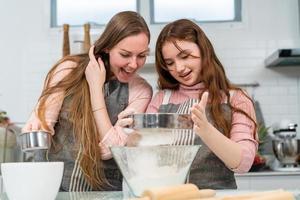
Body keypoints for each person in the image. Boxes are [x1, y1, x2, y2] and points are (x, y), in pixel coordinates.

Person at [22, 11, 152, 191]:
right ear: (107, 47)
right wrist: (36, 120)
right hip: (59, 190)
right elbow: (41, 128)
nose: (134, 64)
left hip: (106, 194)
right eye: (125, 54)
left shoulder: (141, 91)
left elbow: (110, 150)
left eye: (142, 55)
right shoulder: (68, 70)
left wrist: (95, 89)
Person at [146, 19, 258, 189]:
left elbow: (244, 163)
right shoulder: (161, 99)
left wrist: (207, 131)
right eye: (170, 63)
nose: (179, 68)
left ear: (204, 50)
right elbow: (145, 155)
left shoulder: (236, 98)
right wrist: (132, 136)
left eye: (185, 56)